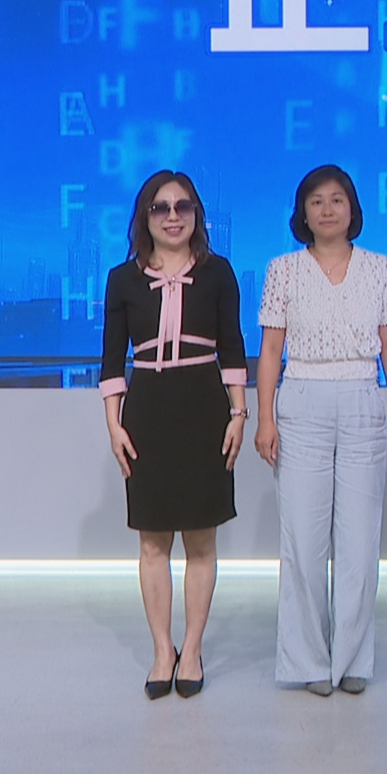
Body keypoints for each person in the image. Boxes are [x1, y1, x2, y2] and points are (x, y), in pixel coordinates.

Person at [253, 165, 387, 697]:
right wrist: (266, 417)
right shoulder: (283, 270)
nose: (326, 209)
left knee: (360, 540)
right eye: (316, 201)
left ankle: (353, 658)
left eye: (336, 199)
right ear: (302, 212)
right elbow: (270, 350)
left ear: (352, 208)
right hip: (301, 400)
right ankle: (308, 661)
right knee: (302, 539)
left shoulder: (378, 267)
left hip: (364, 395)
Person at [99, 170, 248, 700]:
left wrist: (239, 414)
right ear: (145, 217)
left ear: (196, 215)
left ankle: (194, 647)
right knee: (153, 541)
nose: (172, 216)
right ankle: (163, 650)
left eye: (183, 206)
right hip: (148, 413)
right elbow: (111, 358)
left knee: (202, 540)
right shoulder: (122, 279)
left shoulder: (218, 272)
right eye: (160, 207)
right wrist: (114, 425)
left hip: (205, 409)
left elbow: (233, 347)